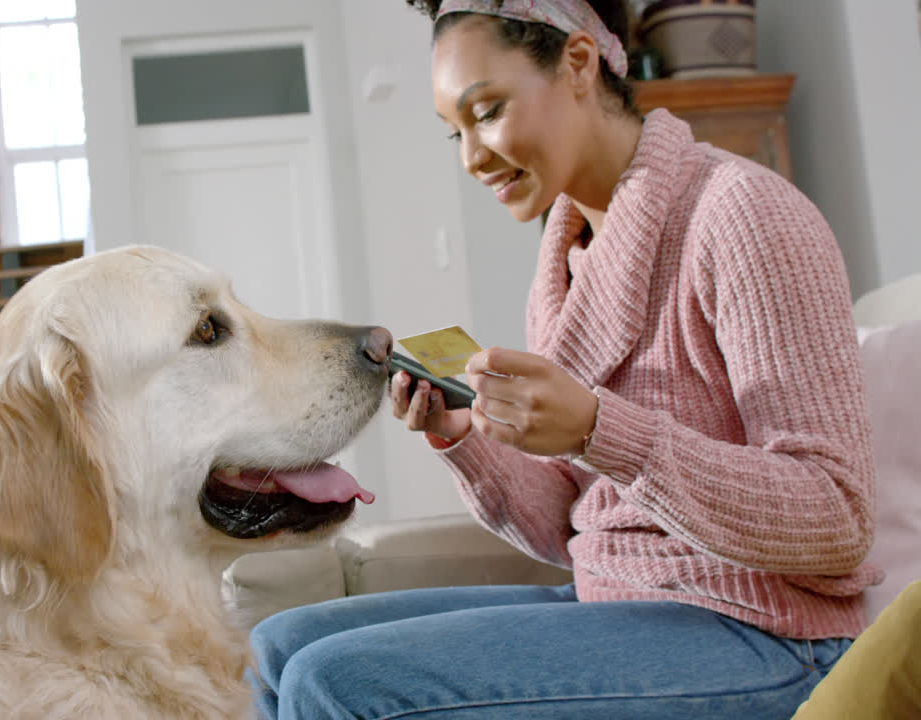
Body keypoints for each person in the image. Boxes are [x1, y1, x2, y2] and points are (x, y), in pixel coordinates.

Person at [247, 0, 881, 718]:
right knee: (275, 647)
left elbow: (836, 518)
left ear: (579, 63)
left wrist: (598, 430)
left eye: (486, 112)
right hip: (619, 598)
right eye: (454, 132)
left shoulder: (744, 214)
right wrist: (462, 438)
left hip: (767, 632)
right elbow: (568, 529)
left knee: (336, 681)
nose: (471, 157)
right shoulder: (563, 267)